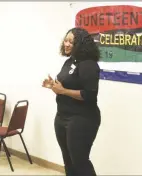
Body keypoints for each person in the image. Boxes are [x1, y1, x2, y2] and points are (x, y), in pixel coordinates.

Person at [42, 27, 101, 176]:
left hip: (82, 119)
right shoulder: (70, 61)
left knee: (80, 162)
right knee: (68, 161)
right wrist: (53, 86)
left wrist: (64, 91)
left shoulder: (88, 64)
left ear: (81, 44)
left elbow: (89, 95)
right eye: (66, 40)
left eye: (71, 42)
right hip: (62, 116)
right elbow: (66, 84)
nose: (67, 44)